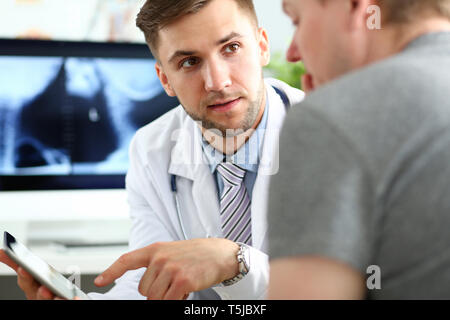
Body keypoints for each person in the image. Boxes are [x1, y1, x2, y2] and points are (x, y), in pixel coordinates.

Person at [0, 0, 304, 300]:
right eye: (189, 62)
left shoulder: (332, 137)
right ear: (165, 80)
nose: (217, 81)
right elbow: (144, 287)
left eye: (231, 48)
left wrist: (234, 262)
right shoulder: (150, 150)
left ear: (262, 46)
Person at [268, 0, 450, 299]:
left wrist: (332, 119)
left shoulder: (330, 120)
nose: (292, 52)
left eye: (296, 20)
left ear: (354, 6)